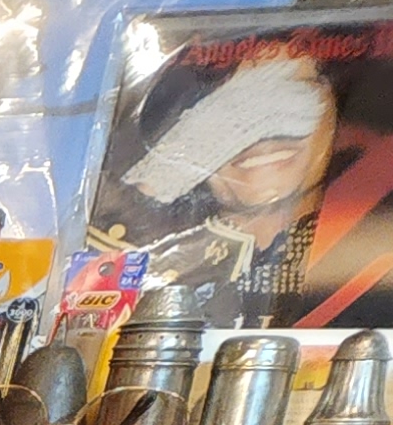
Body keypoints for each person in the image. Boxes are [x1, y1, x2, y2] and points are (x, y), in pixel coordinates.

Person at [101, 42, 393, 326]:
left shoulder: (373, 247)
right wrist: (153, 186)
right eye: (229, 104)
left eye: (295, 90)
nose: (264, 133)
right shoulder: (155, 257)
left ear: (336, 111)